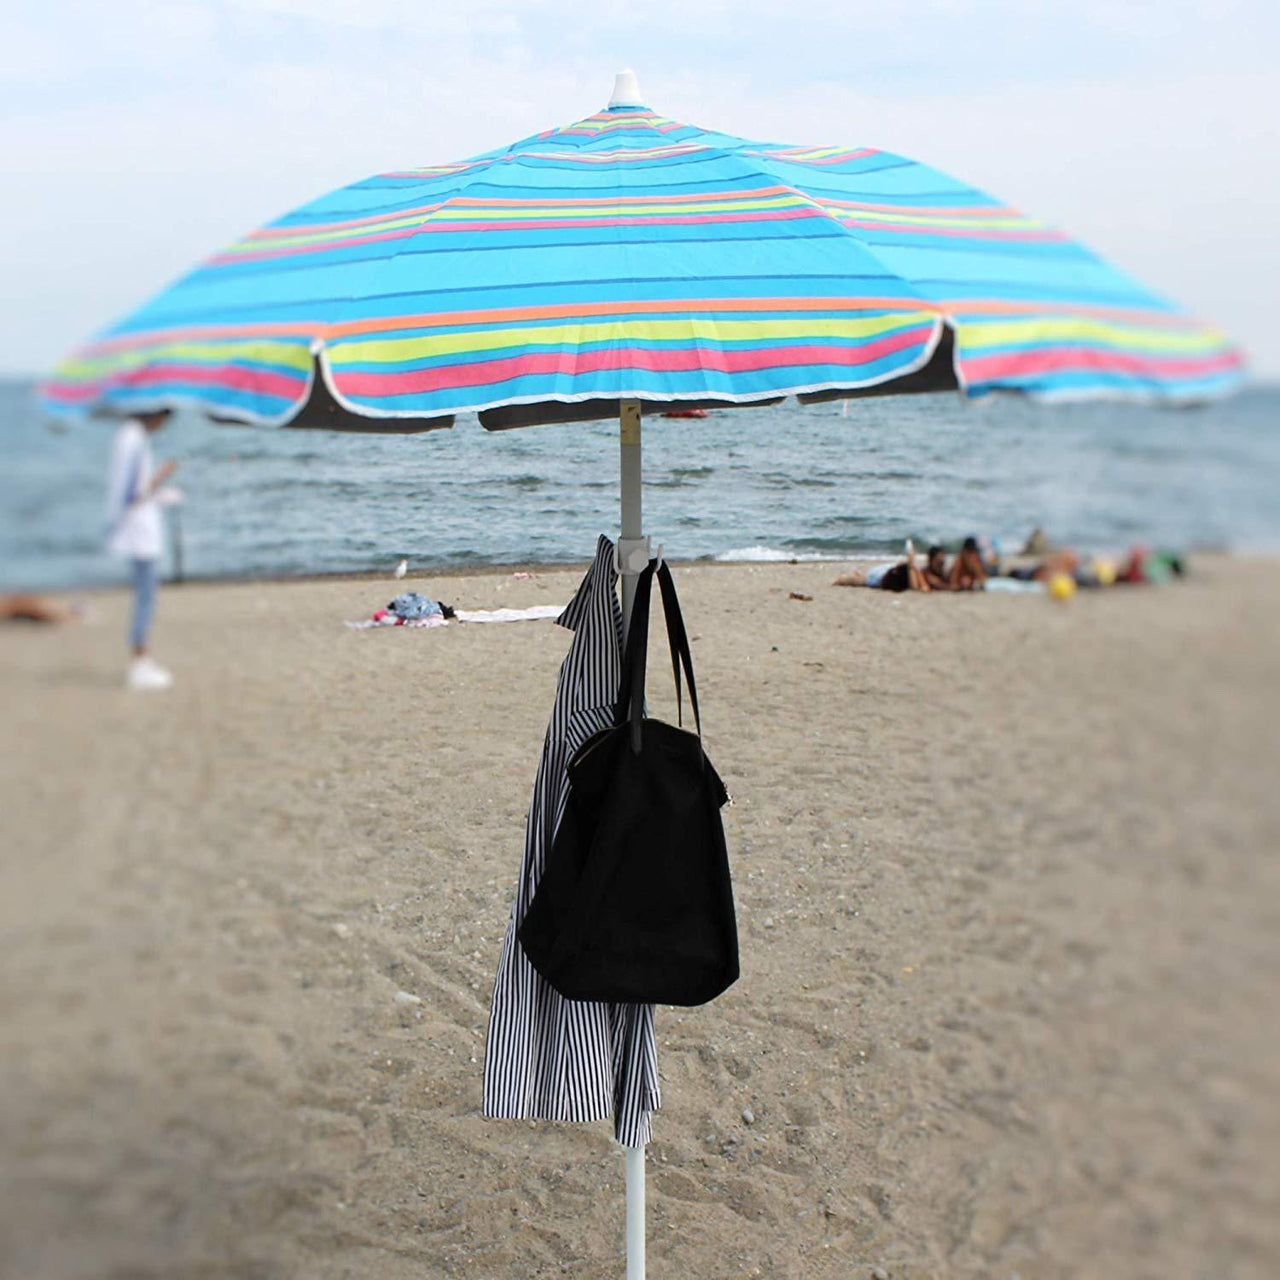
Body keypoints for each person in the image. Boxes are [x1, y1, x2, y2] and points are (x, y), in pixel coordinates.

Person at [104, 408, 182, 690]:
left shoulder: (129, 436)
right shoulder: (133, 439)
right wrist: (163, 476)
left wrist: (159, 494)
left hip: (137, 526)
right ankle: (139, 662)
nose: (162, 426)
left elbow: (131, 489)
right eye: (164, 419)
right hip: (139, 531)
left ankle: (141, 658)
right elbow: (133, 492)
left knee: (145, 595)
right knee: (146, 596)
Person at [834, 540, 931, 592]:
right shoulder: (914, 572)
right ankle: (847, 576)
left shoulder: (915, 572)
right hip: (884, 573)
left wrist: (911, 560)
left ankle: (857, 573)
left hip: (889, 570)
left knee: (865, 577)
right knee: (862, 580)